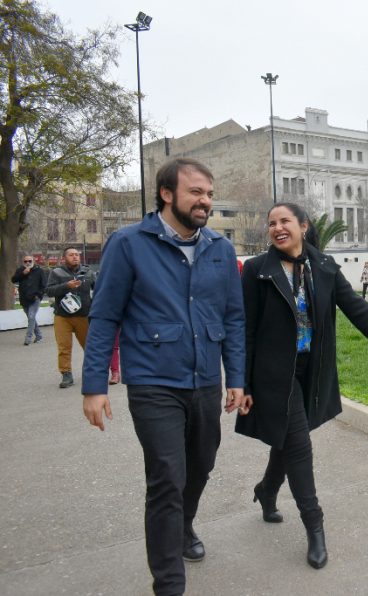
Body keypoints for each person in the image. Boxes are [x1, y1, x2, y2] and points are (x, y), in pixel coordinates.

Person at [81, 158, 246, 596]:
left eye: (209, 193)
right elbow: (105, 316)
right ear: (167, 193)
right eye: (196, 192)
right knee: (167, 476)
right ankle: (169, 583)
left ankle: (184, 524)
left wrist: (237, 377)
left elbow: (233, 317)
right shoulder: (129, 243)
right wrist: (94, 385)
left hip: (206, 378)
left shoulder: (220, 248)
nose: (205, 201)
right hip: (154, 381)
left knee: (202, 464)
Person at [238, 202, 368, 570]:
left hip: (312, 371)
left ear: (303, 226)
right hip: (275, 375)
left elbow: (356, 308)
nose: (276, 228)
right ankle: (315, 526)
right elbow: (247, 331)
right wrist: (241, 383)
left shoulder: (323, 267)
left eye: (284, 221)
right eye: (271, 222)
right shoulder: (258, 270)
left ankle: (266, 490)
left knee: (288, 440)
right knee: (299, 445)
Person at [46, 247, 94, 388]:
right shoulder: (56, 272)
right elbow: (49, 291)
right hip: (62, 316)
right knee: (64, 347)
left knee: (90, 347)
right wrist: (66, 286)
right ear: (64, 258)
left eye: (77, 255)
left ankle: (92, 373)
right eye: (71, 255)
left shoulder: (88, 272)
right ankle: (66, 374)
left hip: (84, 316)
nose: (75, 257)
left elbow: (99, 289)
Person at [11, 254, 47, 346]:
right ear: (23, 262)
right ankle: (39, 336)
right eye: (25, 261)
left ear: (33, 261)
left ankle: (28, 338)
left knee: (31, 317)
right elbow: (13, 280)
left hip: (35, 298)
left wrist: (38, 295)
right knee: (31, 319)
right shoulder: (20, 270)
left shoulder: (39, 271)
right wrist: (23, 273)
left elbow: (43, 285)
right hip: (24, 299)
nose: (27, 263)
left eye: (29, 261)